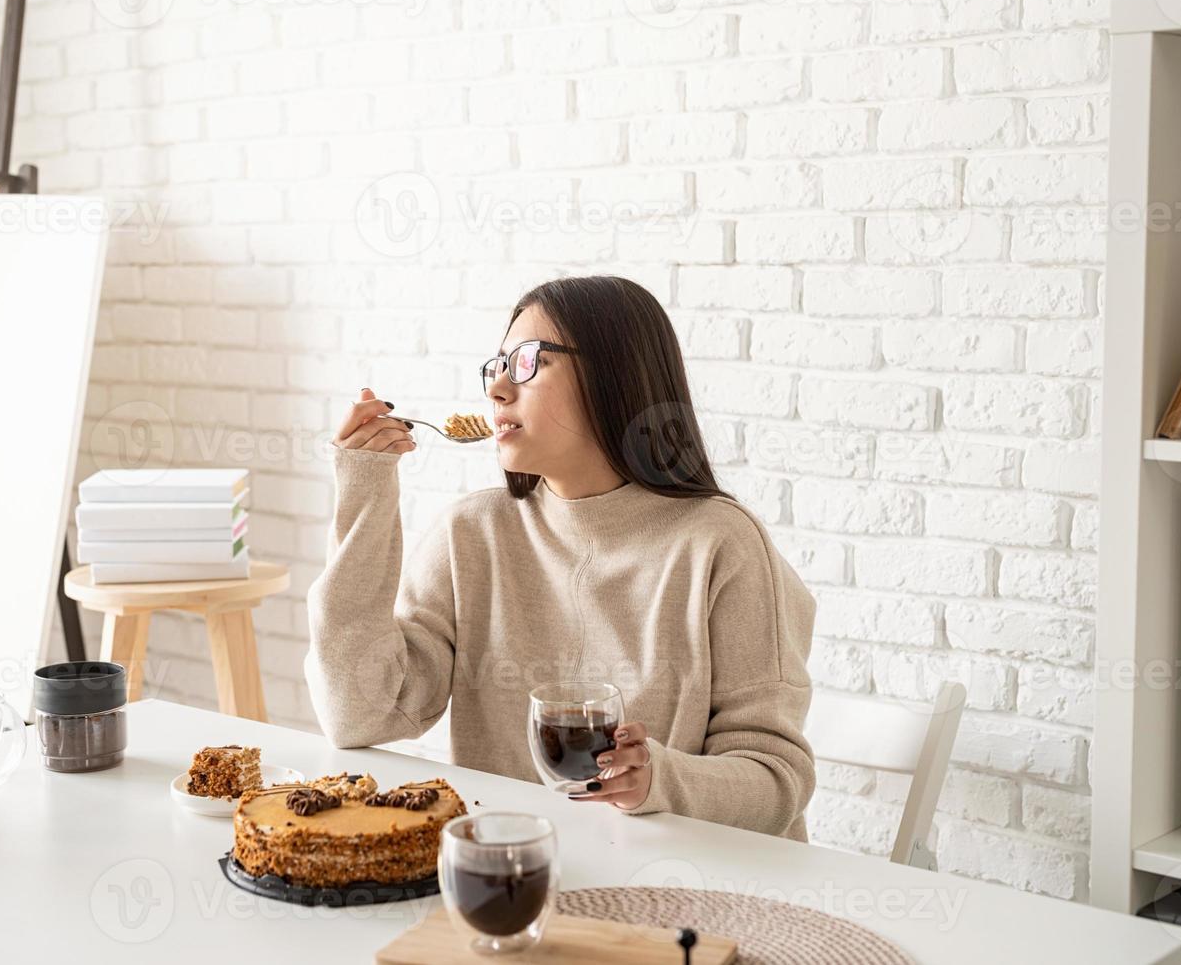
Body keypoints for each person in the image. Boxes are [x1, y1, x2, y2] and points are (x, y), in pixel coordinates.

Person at [305, 275, 817, 840]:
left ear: (612, 373)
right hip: (516, 876)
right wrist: (365, 490)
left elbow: (776, 781)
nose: (497, 388)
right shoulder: (472, 534)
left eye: (525, 362)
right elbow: (357, 714)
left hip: (682, 883)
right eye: (494, 367)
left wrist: (658, 781)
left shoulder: (721, 544)